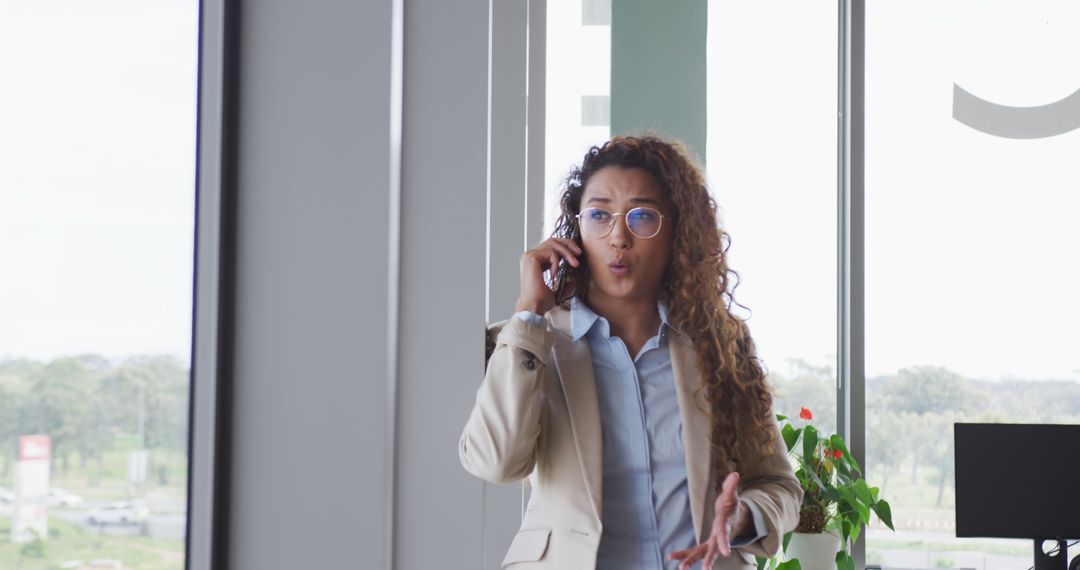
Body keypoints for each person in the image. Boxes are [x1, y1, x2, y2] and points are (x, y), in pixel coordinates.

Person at [459, 135, 801, 569]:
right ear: (577, 228)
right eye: (599, 214)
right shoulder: (529, 343)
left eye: (642, 217)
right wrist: (529, 313)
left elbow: (778, 485)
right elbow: (495, 462)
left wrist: (742, 517)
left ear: (677, 230)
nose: (618, 237)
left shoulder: (720, 343)